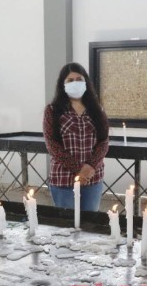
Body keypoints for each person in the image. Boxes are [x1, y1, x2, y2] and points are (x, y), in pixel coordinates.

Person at [43, 62, 109, 211]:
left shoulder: (97, 109)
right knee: (67, 229)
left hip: (92, 179)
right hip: (64, 179)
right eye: (70, 80)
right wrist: (79, 169)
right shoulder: (52, 110)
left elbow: (103, 142)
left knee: (90, 226)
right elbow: (52, 144)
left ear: (86, 82)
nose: (75, 83)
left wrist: (90, 167)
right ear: (63, 84)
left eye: (79, 79)